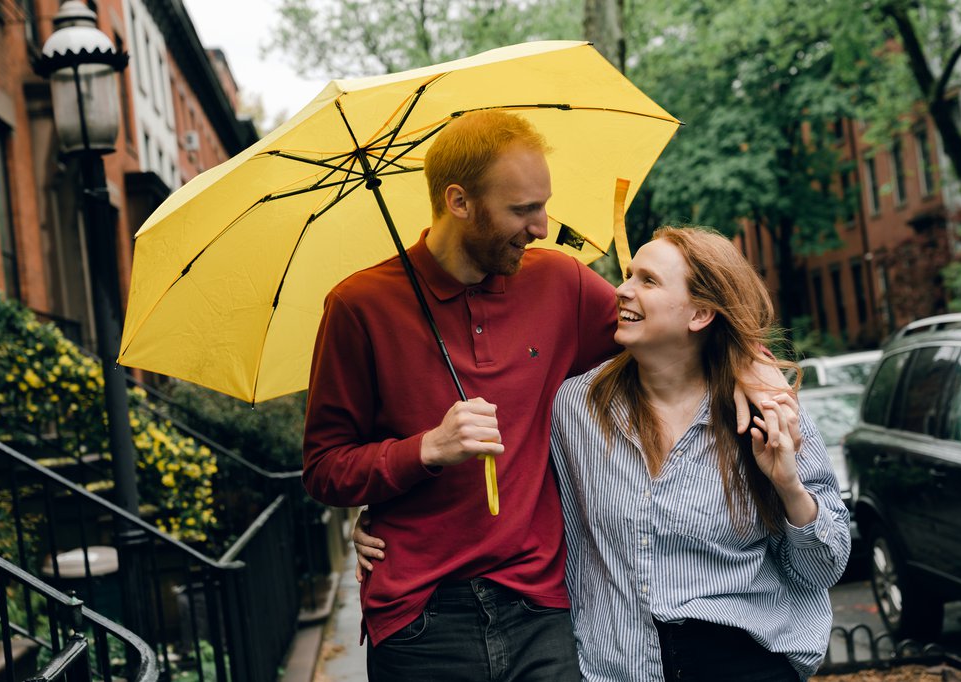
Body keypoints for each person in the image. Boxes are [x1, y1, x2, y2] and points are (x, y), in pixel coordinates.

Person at [305, 111, 789, 681]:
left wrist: (755, 367)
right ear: (459, 202)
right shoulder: (358, 307)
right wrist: (424, 451)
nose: (541, 226)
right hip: (419, 618)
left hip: (541, 606)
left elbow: (675, 332)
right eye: (522, 209)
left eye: (543, 205)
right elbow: (324, 469)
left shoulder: (560, 283)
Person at [550, 226, 850, 681]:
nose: (621, 291)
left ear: (701, 314)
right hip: (625, 665)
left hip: (747, 661)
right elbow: (568, 547)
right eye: (628, 276)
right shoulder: (578, 408)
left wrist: (788, 485)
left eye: (648, 281)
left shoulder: (765, 410)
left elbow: (823, 569)